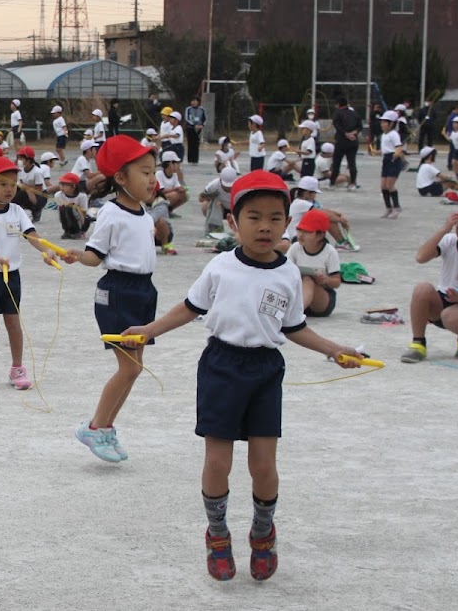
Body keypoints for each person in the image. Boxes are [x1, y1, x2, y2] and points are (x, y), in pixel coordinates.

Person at [121, 170, 363, 582]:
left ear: (288, 222)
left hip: (266, 370)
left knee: (263, 466)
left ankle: (263, 531)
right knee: (218, 461)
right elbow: (189, 308)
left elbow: (295, 328)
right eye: (254, 217)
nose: (264, 226)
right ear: (233, 222)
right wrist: (148, 329)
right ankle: (217, 534)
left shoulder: (289, 273)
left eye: (274, 217)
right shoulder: (220, 266)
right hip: (221, 366)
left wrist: (335, 349)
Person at [59, 135, 159, 464]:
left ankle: (105, 427)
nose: (152, 179)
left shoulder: (144, 214)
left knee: (135, 369)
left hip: (143, 291)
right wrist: (77, 255)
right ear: (121, 178)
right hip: (118, 293)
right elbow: (95, 256)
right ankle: (94, 427)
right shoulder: (111, 213)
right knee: (128, 367)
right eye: (145, 172)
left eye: (153, 172)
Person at [0, 155, 61, 391]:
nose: (10, 189)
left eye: (13, 184)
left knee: (13, 321)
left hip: (11, 273)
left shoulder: (17, 211)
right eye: (3, 184)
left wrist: (47, 251)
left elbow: (32, 235)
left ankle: (17, 368)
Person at [400, 208, 458, 363]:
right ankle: (418, 343)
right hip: (445, 300)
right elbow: (421, 257)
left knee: (450, 316)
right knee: (422, 289)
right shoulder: (450, 240)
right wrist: (444, 230)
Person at [286, 209, 341, 318]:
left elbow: (337, 282)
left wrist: (327, 280)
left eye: (307, 232)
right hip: (299, 293)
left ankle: (294, 314)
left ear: (320, 235)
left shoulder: (329, 252)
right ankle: (295, 311)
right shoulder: (295, 248)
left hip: (321, 300)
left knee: (308, 279)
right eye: (299, 230)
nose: (301, 235)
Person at [329, 97, 362, 190]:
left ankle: (332, 183)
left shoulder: (337, 113)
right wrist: (353, 133)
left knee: (336, 163)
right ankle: (353, 183)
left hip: (341, 141)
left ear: (338, 104)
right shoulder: (354, 113)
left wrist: (346, 134)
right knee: (352, 163)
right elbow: (360, 126)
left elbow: (337, 125)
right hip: (353, 141)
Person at [379, 110, 405, 218]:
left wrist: (396, 154)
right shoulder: (383, 135)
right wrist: (377, 152)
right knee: (383, 186)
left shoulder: (394, 134)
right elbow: (385, 149)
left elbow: (398, 147)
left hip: (393, 160)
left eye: (385, 122)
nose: (382, 124)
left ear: (391, 123)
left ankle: (397, 207)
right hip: (386, 159)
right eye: (382, 122)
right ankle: (388, 208)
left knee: (390, 185)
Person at [11, 146, 47, 223]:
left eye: (21, 158)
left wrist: (26, 188)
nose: (19, 160)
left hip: (40, 195)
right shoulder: (20, 170)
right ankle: (14, 213)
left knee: (22, 193)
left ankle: (36, 209)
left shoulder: (37, 172)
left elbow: (39, 189)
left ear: (28, 160)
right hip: (26, 191)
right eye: (18, 158)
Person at [54, 172, 90, 239]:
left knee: (71, 208)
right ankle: (67, 231)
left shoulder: (82, 196)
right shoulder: (58, 195)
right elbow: (61, 213)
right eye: (61, 184)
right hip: (67, 218)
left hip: (80, 218)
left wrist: (82, 226)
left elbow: (84, 212)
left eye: (65, 185)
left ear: (73, 186)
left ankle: (78, 232)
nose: (62, 187)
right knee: (62, 208)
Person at [184, 97, 206, 164]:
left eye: (195, 101)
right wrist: (194, 125)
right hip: (190, 128)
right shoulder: (188, 109)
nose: (193, 102)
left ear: (198, 102)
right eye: (192, 101)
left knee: (196, 144)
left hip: (198, 128)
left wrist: (202, 125)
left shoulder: (201, 109)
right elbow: (187, 118)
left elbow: (204, 119)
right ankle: (190, 159)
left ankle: (195, 159)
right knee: (190, 143)